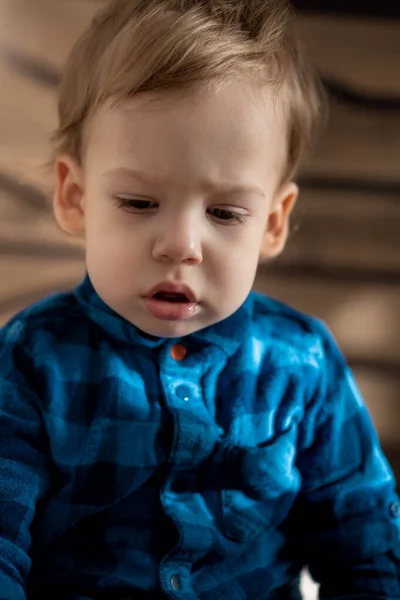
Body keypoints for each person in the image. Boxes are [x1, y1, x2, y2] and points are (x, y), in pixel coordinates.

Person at [0, 0, 399, 598]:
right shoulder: (34, 357)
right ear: (75, 196)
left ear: (272, 222)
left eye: (224, 212)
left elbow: (367, 545)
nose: (182, 245)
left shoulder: (302, 362)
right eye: (138, 203)